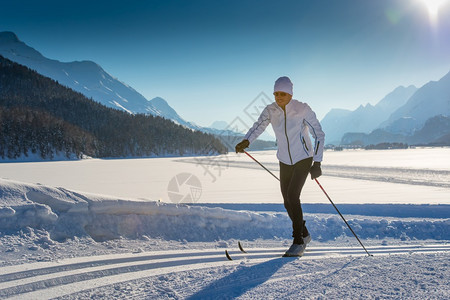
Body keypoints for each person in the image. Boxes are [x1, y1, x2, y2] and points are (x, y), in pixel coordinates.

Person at [235, 76, 325, 257]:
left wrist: (317, 162)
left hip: (303, 158)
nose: (278, 97)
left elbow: (319, 134)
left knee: (293, 196)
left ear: (290, 93)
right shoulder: (271, 110)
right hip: (284, 159)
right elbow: (258, 126)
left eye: (282, 93)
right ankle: (305, 233)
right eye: (276, 93)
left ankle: (298, 242)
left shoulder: (302, 109)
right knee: (286, 201)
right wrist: (246, 141)